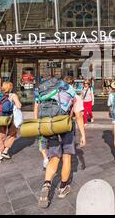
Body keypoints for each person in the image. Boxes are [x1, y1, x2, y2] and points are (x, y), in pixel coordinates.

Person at [37, 76, 86, 208]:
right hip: (66, 127)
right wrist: (83, 134)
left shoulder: (46, 91)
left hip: (50, 126)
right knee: (66, 158)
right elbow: (79, 116)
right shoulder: (71, 92)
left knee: (54, 158)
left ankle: (47, 184)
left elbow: (37, 110)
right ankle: (63, 188)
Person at [0, 82, 22, 162]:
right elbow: (19, 105)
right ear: (10, 88)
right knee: (12, 133)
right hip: (9, 118)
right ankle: (5, 151)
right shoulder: (13, 95)